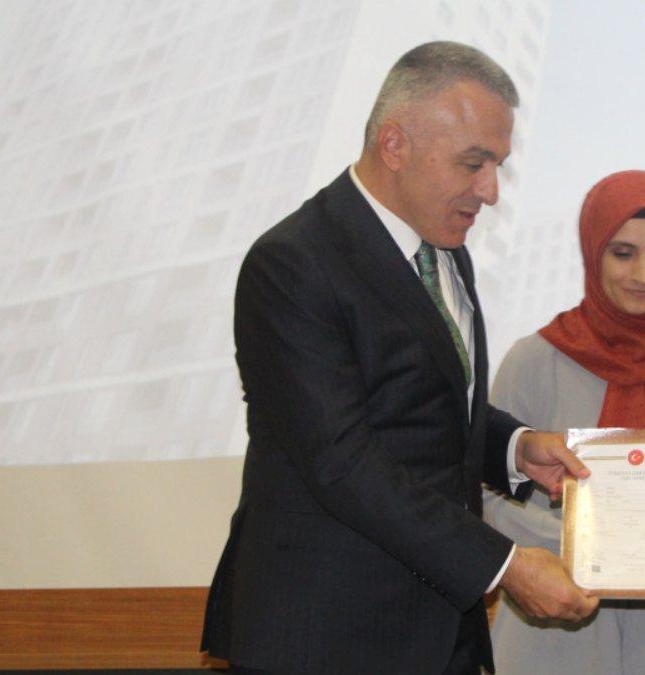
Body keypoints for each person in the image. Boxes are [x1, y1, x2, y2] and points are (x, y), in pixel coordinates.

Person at [200, 41, 599, 674]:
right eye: (473, 163)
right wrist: (504, 565)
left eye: (497, 165)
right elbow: (342, 460)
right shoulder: (294, 263)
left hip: (437, 631)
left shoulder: (445, 251)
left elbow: (420, 406)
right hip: (328, 637)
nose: (490, 191)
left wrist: (513, 447)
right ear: (394, 144)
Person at [483, 170, 645, 675]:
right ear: (593, 251)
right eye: (623, 253)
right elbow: (485, 500)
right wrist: (586, 541)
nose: (644, 274)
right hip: (548, 640)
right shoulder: (534, 361)